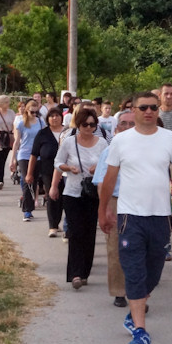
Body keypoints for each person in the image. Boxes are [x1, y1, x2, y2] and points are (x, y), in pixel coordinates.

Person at [99, 91, 172, 344]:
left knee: (153, 273)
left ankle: (134, 313)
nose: (149, 111)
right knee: (134, 272)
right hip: (130, 217)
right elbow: (109, 179)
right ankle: (140, 331)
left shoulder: (169, 138)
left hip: (161, 216)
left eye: (153, 107)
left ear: (158, 110)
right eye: (143, 108)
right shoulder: (121, 141)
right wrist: (103, 210)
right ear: (134, 110)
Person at [50, 107, 108, 289]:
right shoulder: (69, 142)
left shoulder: (102, 144)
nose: (89, 128)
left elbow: (110, 164)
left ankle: (84, 273)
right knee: (75, 232)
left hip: (93, 193)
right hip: (72, 192)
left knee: (89, 233)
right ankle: (75, 273)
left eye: (92, 124)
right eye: (85, 124)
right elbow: (57, 162)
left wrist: (98, 166)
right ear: (78, 125)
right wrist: (68, 168)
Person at [93, 109, 136, 308]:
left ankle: (138, 292)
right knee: (116, 246)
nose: (127, 127)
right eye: (124, 123)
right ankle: (119, 291)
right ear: (117, 127)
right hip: (116, 200)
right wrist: (105, 208)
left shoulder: (147, 149)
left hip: (141, 201)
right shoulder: (110, 151)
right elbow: (102, 181)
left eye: (132, 124)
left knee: (140, 247)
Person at [27, 108, 67, 238]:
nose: (54, 118)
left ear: (61, 117)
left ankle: (59, 221)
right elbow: (34, 155)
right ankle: (53, 226)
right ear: (47, 119)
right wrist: (29, 173)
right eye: (51, 116)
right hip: (48, 171)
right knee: (52, 196)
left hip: (66, 171)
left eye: (57, 115)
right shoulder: (43, 134)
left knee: (63, 198)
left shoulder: (68, 132)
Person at [10, 98, 45, 221]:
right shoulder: (21, 124)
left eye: (36, 112)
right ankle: (27, 210)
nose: (34, 114)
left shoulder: (41, 122)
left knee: (34, 182)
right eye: (32, 112)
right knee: (27, 180)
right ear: (26, 111)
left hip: (37, 155)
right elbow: (16, 142)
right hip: (24, 155)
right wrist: (12, 159)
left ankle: (29, 205)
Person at [0, 95, 16, 190]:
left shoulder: (11, 112)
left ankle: (0, 179)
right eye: (6, 102)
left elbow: (14, 124)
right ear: (1, 103)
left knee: (3, 159)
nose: (8, 104)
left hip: (8, 136)